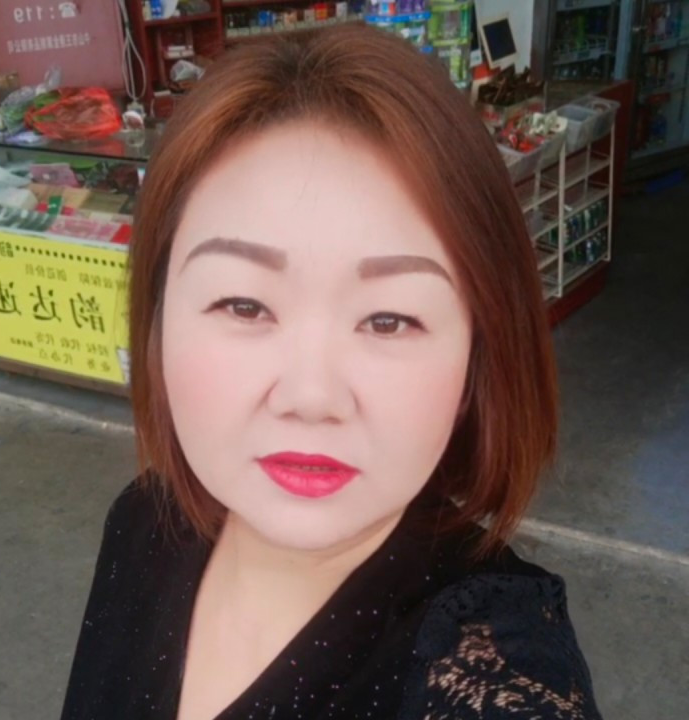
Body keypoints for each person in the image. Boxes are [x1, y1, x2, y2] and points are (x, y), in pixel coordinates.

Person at [60, 23, 604, 720]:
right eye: (244, 304)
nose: (311, 397)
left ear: (479, 353)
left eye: (389, 319)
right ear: (159, 319)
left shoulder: (487, 665)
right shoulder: (144, 524)